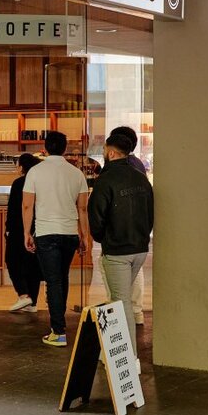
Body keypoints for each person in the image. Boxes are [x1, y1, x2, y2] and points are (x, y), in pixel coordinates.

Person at [88, 133, 154, 373]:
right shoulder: (141, 178)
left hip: (117, 250)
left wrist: (103, 239)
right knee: (122, 298)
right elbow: (150, 213)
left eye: (105, 149)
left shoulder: (106, 180)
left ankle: (128, 358)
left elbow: (95, 218)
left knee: (120, 301)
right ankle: (116, 353)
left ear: (112, 152)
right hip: (139, 248)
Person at [23, 131, 90, 348]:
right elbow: (82, 208)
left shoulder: (35, 171)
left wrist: (27, 232)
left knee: (53, 281)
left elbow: (27, 205)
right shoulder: (76, 173)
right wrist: (84, 235)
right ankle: (58, 325)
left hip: (46, 232)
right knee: (62, 278)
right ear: (65, 148)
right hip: (69, 232)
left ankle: (58, 331)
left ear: (45, 147)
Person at [109, 125, 148, 325]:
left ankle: (121, 321)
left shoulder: (118, 168)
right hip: (137, 233)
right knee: (136, 271)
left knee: (117, 282)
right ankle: (136, 312)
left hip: (120, 236)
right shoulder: (139, 166)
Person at [5, 153, 43, 313]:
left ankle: (23, 295)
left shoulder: (19, 183)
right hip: (38, 228)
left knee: (12, 260)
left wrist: (8, 228)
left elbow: (14, 209)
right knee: (32, 264)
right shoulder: (41, 183)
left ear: (22, 167)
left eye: (17, 164)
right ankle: (32, 303)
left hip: (19, 229)